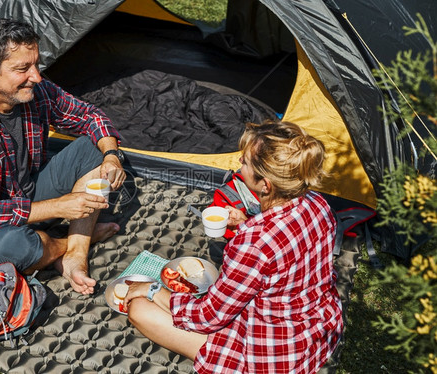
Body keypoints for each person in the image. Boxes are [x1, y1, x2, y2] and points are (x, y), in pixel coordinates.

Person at [123, 121, 344, 373]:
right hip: (317, 329)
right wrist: (246, 223)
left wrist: (152, 290)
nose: (239, 161)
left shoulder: (254, 243)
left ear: (266, 185)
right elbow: (285, 246)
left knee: (139, 310)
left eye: (246, 162)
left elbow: (208, 317)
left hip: (274, 353)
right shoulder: (318, 204)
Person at [0, 18, 126, 296]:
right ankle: (77, 239)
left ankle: (73, 257)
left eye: (35, 64)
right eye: (22, 68)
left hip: (26, 193)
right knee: (17, 248)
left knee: (93, 147)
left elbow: (89, 116)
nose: (35, 76)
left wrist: (111, 156)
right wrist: (61, 207)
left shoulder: (35, 90)